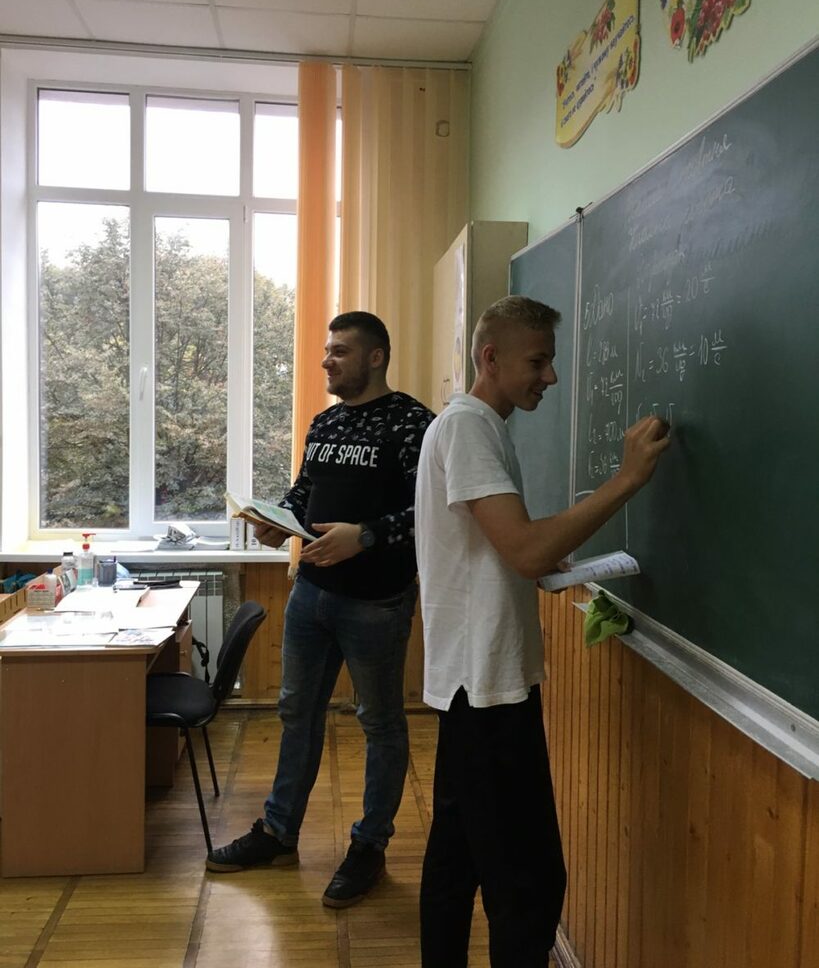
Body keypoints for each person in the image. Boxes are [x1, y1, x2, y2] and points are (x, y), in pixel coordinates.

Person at [414, 295, 670, 967]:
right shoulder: (469, 427)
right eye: (537, 361)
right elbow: (524, 550)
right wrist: (627, 479)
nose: (549, 377)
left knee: (455, 863)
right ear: (490, 358)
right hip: (486, 688)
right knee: (528, 886)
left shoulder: (470, 426)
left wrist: (531, 556)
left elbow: (505, 548)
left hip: (472, 682)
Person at [206, 311, 435, 909]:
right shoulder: (325, 421)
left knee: (379, 722)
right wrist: (277, 521)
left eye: (340, 351)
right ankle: (279, 833)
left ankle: (369, 846)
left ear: (376, 357)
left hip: (377, 601)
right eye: (327, 350)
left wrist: (366, 535)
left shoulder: (414, 423)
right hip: (310, 594)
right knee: (296, 713)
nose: (326, 360)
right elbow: (305, 492)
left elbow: (433, 511)